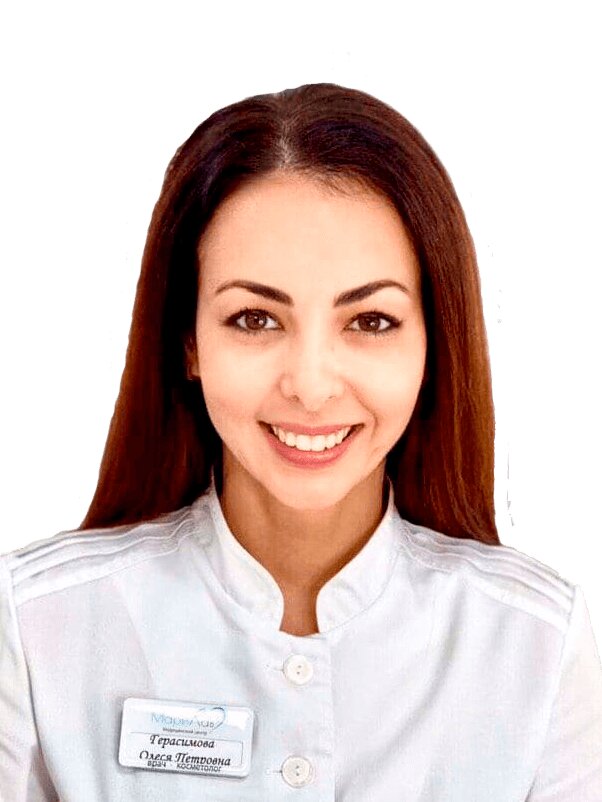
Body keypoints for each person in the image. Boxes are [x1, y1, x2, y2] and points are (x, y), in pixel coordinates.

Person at [1, 83, 601, 801]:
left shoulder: (539, 645)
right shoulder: (33, 627)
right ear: (188, 340)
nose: (311, 387)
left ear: (434, 342)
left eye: (370, 322)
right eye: (255, 319)